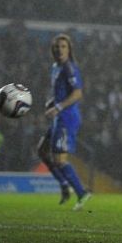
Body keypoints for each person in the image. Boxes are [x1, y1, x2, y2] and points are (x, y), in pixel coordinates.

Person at [37, 33, 91, 211]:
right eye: (57, 47)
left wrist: (58, 107)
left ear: (69, 50)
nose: (60, 50)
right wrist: (53, 102)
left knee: (60, 160)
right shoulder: (56, 67)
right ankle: (63, 185)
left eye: (63, 47)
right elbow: (63, 91)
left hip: (67, 118)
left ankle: (82, 192)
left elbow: (77, 93)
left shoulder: (69, 68)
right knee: (42, 151)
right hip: (58, 116)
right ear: (52, 49)